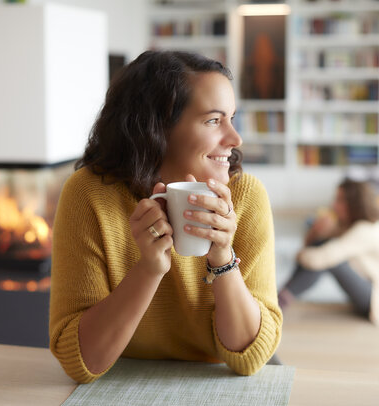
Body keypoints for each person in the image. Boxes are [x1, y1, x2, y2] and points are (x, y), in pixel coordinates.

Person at [49, 50, 282, 384]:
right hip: (120, 388)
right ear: (155, 128)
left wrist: (222, 256)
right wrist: (149, 268)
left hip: (217, 384)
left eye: (232, 118)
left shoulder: (245, 197)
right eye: (214, 120)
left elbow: (250, 358)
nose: (235, 139)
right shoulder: (89, 196)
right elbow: (82, 361)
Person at [278, 179, 379, 327]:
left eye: (339, 200)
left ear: (354, 204)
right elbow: (317, 247)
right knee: (323, 246)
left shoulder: (366, 230)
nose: (333, 205)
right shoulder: (356, 226)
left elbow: (318, 259)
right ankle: (283, 297)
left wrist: (298, 254)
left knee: (330, 258)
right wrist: (316, 231)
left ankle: (281, 299)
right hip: (370, 293)